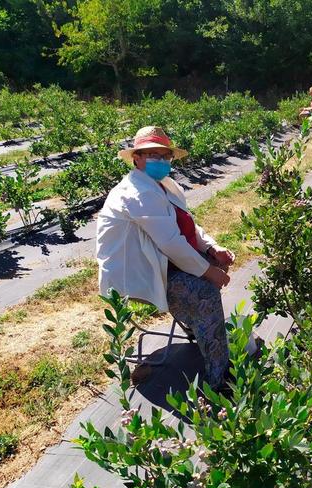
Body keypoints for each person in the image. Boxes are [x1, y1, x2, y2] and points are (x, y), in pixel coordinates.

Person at [96, 126, 235, 390]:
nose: (159, 161)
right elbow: (170, 242)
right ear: (136, 158)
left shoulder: (164, 186)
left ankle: (202, 330)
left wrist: (211, 249)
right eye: (152, 154)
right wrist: (207, 271)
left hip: (160, 261)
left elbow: (186, 226)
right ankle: (220, 378)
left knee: (215, 265)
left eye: (164, 156)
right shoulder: (137, 193)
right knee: (204, 289)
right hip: (134, 275)